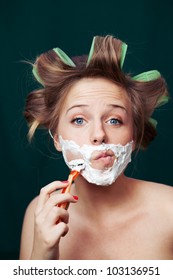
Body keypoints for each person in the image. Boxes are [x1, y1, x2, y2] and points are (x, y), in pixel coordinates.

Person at [19, 35, 173, 260]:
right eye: (79, 120)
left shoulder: (169, 210)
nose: (99, 135)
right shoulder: (40, 213)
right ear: (57, 138)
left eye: (114, 120)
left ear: (134, 135)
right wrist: (42, 256)